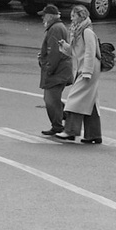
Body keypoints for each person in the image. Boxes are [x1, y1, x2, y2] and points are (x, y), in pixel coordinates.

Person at [59, 5, 103, 145]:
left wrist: (88, 72)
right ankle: (93, 135)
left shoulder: (87, 32)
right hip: (83, 68)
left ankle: (70, 131)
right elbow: (75, 52)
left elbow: (90, 52)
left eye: (74, 15)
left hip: (89, 69)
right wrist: (65, 46)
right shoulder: (77, 31)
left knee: (74, 99)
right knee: (90, 102)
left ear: (81, 16)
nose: (71, 18)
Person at [37, 7, 73, 138]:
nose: (42, 18)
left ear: (50, 16)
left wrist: (49, 69)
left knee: (51, 99)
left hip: (57, 71)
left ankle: (66, 120)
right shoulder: (57, 27)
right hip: (60, 69)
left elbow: (55, 52)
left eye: (44, 15)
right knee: (52, 99)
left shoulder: (55, 29)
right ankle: (62, 122)